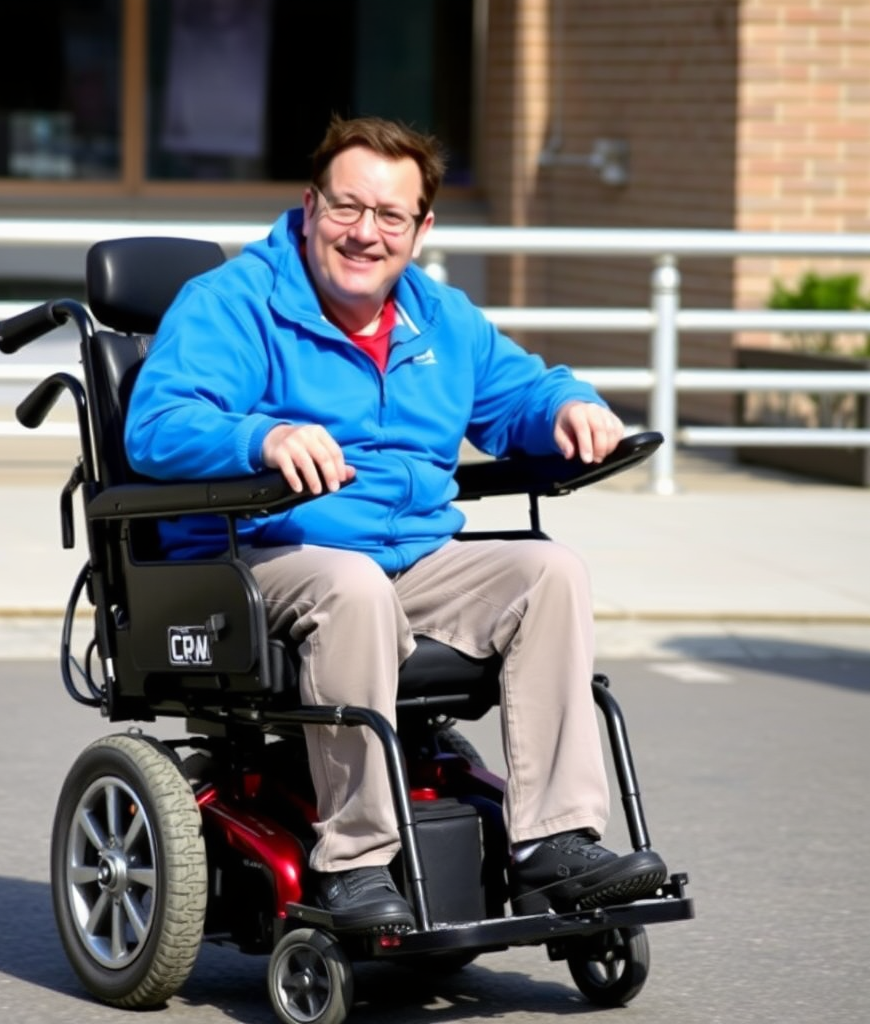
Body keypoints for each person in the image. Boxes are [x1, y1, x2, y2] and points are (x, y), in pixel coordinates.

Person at [125, 114, 667, 933]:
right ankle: (355, 863)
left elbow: (519, 393)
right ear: (309, 208)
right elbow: (157, 424)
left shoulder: (439, 319)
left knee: (547, 571)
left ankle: (555, 846)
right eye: (347, 208)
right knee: (350, 589)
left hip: (407, 558)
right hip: (259, 555)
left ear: (422, 228)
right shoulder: (233, 304)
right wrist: (260, 437)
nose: (365, 234)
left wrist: (569, 407)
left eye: (390, 216)